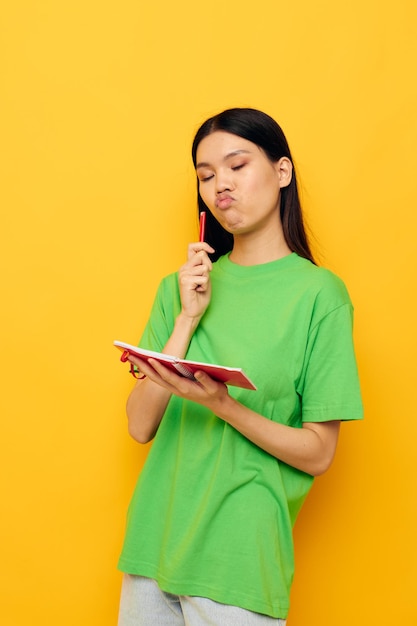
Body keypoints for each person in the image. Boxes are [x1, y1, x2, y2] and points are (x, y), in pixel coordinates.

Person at [117, 107, 363, 625]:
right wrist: (185, 319)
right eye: (205, 176)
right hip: (152, 543)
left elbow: (319, 453)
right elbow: (140, 425)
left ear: (281, 172)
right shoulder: (179, 288)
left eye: (236, 166)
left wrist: (223, 405)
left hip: (239, 557)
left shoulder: (320, 295)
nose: (219, 186)